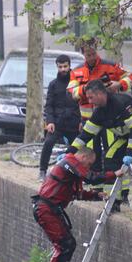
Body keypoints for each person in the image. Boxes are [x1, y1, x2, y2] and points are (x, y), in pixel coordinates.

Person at [32, 147, 126, 262]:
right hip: (46, 209)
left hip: (51, 210)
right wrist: (113, 174)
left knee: (69, 245)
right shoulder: (69, 162)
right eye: (88, 163)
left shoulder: (72, 172)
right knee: (64, 245)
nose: (88, 167)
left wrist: (96, 195)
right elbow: (90, 177)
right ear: (82, 156)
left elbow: (77, 194)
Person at [68, 80, 132, 211]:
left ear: (100, 94)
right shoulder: (99, 112)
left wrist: (131, 154)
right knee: (110, 159)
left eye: (91, 97)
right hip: (124, 137)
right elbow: (85, 135)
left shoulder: (121, 103)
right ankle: (115, 200)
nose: (90, 102)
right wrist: (69, 152)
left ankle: (117, 199)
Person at [67, 39, 132, 180]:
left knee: (110, 152)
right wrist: (87, 88)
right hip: (89, 119)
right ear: (83, 55)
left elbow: (131, 77)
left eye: (93, 54)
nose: (91, 57)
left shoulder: (110, 66)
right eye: (88, 55)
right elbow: (71, 92)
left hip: (110, 119)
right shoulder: (76, 71)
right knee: (92, 154)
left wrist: (119, 84)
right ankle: (97, 186)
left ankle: (116, 187)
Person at [39, 54, 81, 182]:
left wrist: (82, 121)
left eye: (65, 66)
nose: (63, 69)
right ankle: (42, 170)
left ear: (69, 66)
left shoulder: (76, 83)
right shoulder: (53, 84)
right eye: (60, 67)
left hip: (74, 122)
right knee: (48, 142)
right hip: (57, 122)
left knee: (77, 148)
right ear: (57, 67)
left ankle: (75, 173)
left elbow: (82, 103)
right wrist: (50, 121)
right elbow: (49, 105)